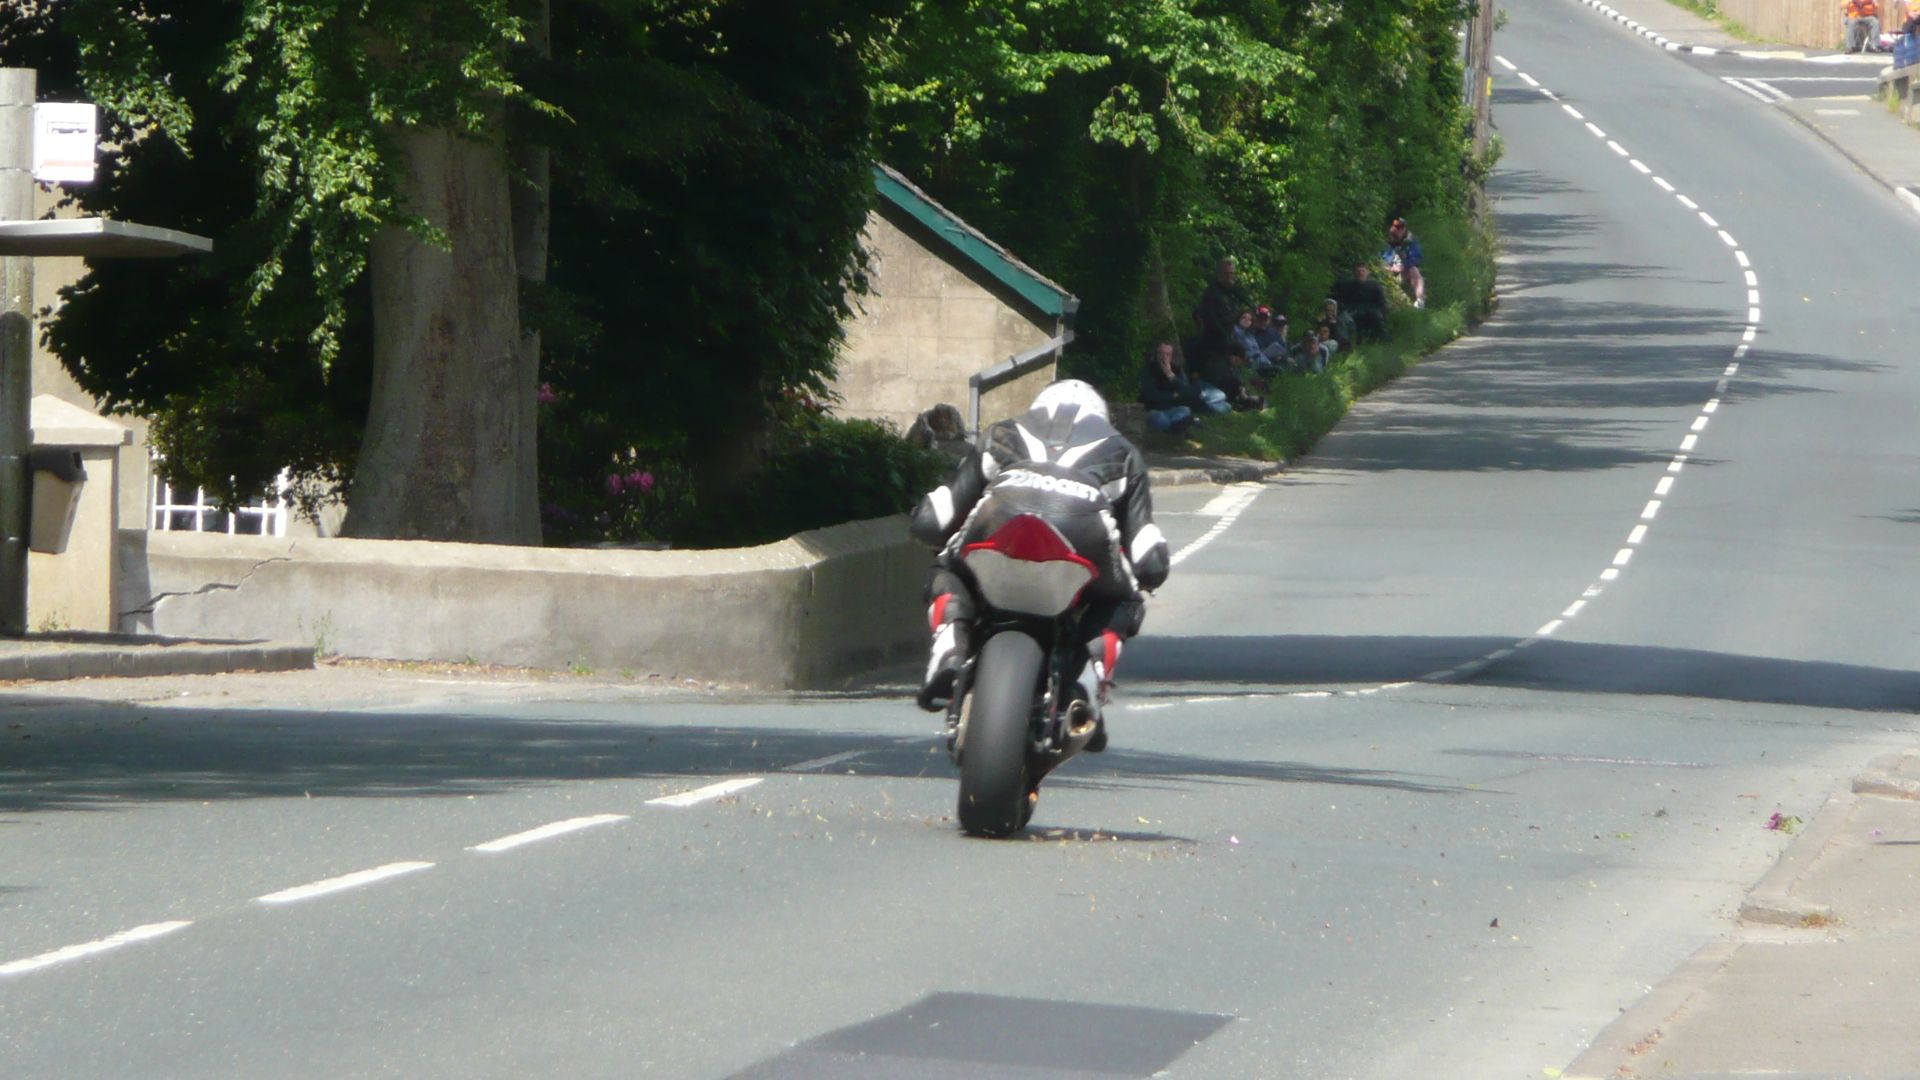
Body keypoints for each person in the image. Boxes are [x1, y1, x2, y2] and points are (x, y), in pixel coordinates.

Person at [910, 380, 1170, 750]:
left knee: (947, 569)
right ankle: (1089, 687)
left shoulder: (1002, 432)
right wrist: (1150, 572)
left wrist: (924, 521)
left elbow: (936, 519)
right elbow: (1147, 553)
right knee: (1124, 600)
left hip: (1001, 517)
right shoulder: (1123, 451)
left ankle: (950, 644)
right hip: (1085, 532)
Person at [1194, 257, 1244, 376]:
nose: (1230, 277)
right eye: (1227, 274)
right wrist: (1226, 338)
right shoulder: (1212, 293)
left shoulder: (1229, 293)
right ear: (1220, 274)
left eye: (1232, 273)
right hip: (1214, 344)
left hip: (1225, 340)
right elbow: (1211, 321)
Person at [1332, 261, 1389, 342]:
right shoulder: (1347, 286)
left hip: (1371, 311)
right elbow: (1340, 300)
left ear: (1367, 272)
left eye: (1363, 271)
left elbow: (1382, 302)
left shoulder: (1375, 286)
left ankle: (1381, 336)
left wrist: (1383, 311)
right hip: (1353, 311)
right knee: (1342, 317)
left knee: (1377, 315)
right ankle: (1344, 342)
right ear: (1354, 273)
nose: (1360, 274)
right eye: (1358, 271)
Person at [1381, 218, 1426, 308]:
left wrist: (1403, 265)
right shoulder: (1386, 242)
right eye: (1396, 227)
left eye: (1401, 227)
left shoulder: (1411, 241)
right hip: (1388, 271)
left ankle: (1420, 302)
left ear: (1404, 229)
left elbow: (1417, 257)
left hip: (1405, 271)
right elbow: (1381, 259)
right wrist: (1391, 267)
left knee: (1415, 271)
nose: (1399, 230)